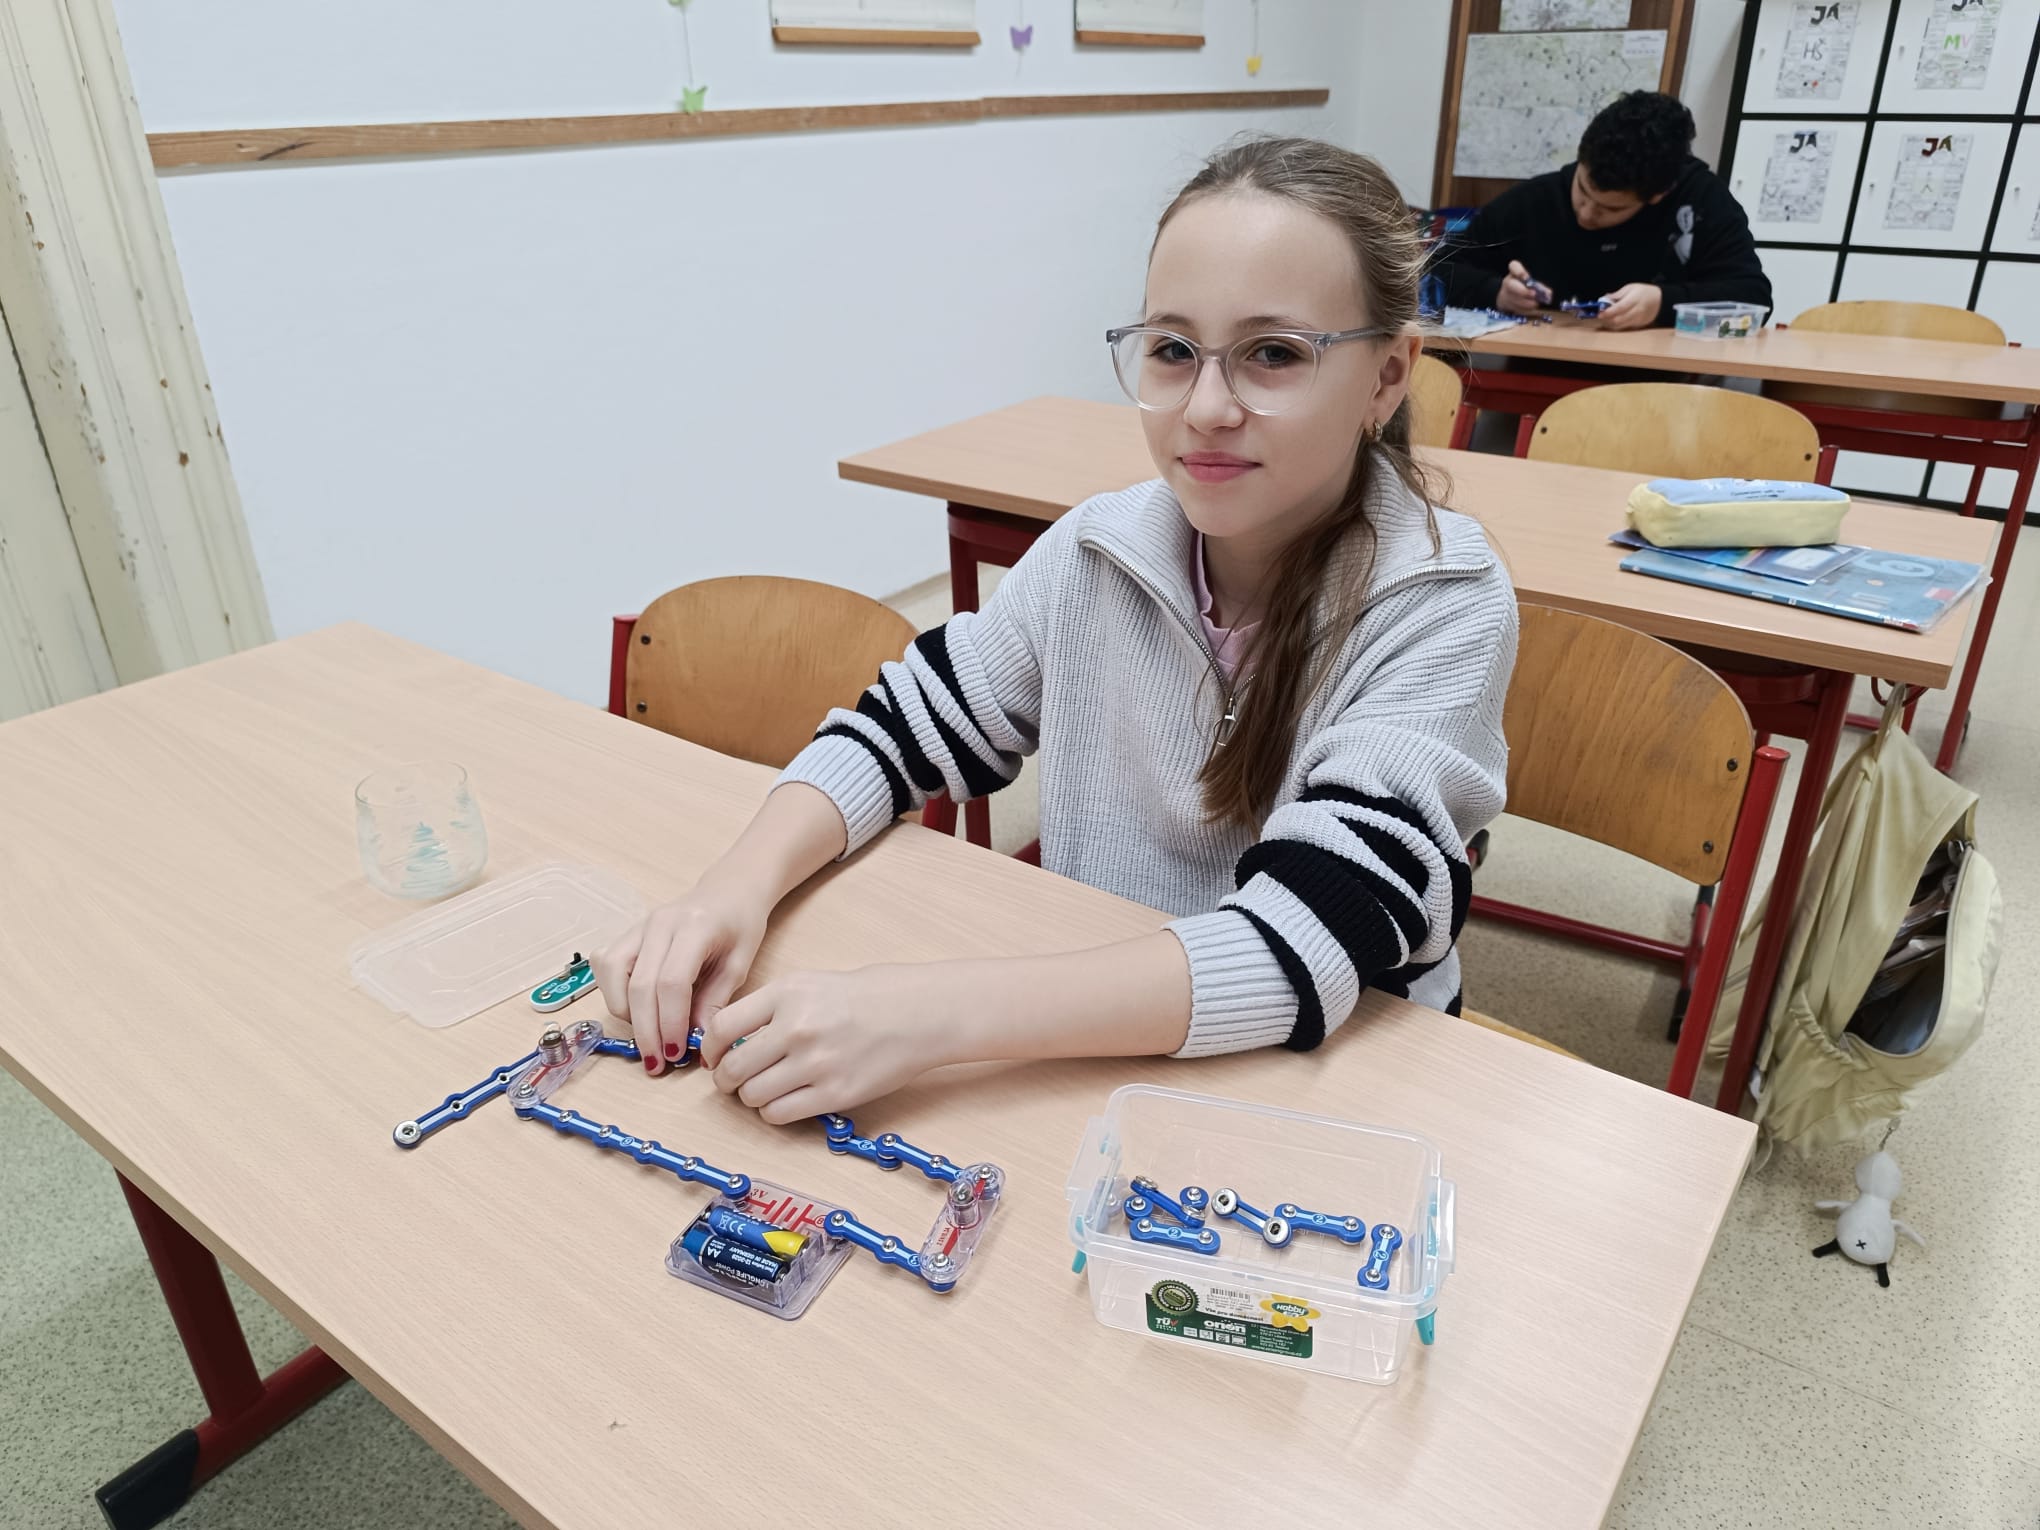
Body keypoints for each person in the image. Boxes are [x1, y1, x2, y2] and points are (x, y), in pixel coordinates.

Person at [593, 137, 1518, 1123]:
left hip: (1331, 1080)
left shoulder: (1444, 602)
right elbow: (900, 730)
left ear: (1387, 375)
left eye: (1275, 354)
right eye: (1173, 351)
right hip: (1094, 1048)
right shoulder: (1097, 549)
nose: (1207, 408)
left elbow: (1299, 944)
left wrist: (926, 1016)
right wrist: (730, 890)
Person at [1436, 90, 1771, 331]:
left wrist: (1662, 303)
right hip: (1541, 374)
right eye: (1582, 191)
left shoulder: (1699, 201)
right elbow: (1439, 269)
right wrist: (1495, 292)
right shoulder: (1535, 199)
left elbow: (1754, 299)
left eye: (1611, 209)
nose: (1586, 214)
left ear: (1658, 195)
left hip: (1662, 384)